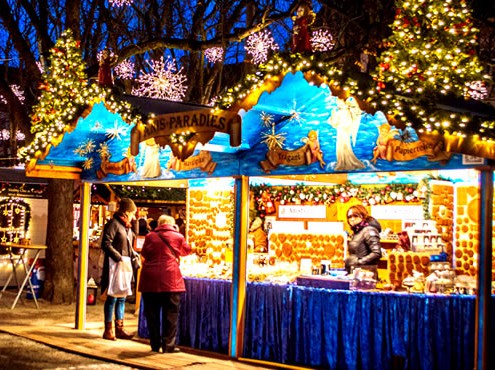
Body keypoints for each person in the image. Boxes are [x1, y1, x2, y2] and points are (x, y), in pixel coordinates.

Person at [138, 214, 192, 353]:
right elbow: (186, 251)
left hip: (150, 280)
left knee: (152, 315)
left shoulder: (150, 236)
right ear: (172, 225)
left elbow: (144, 253)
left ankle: (155, 345)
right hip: (171, 280)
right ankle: (169, 346)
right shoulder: (178, 237)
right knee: (171, 315)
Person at [100, 198, 137, 341]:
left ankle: (120, 328)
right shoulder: (114, 224)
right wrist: (118, 256)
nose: (134, 215)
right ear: (126, 212)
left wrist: (133, 255)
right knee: (112, 297)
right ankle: (108, 330)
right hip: (115, 265)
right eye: (132, 213)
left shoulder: (127, 227)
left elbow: (129, 245)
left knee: (122, 297)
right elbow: (106, 243)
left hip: (125, 265)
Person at [344, 204, 382, 279]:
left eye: (355, 216)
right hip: (356, 272)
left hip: (366, 274)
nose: (352, 219)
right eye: (349, 217)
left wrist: (359, 262)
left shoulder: (369, 230)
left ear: (362, 216)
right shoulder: (357, 232)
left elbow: (376, 253)